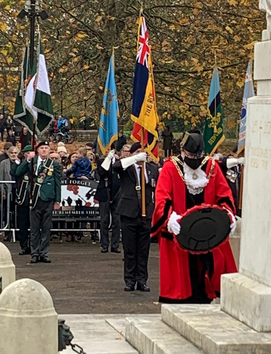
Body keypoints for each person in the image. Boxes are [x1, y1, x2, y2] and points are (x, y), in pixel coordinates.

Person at [151, 130, 237, 304]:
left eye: (197, 155)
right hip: (179, 233)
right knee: (182, 280)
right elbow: (162, 199)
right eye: (190, 155)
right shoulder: (170, 167)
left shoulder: (211, 167)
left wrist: (228, 214)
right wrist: (170, 219)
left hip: (207, 233)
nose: (194, 159)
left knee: (208, 271)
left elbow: (225, 195)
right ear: (183, 151)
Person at [113, 142, 159, 292]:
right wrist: (134, 159)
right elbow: (116, 167)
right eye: (138, 151)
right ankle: (129, 280)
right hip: (129, 213)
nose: (142, 154)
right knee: (130, 249)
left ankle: (142, 280)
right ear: (132, 154)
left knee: (143, 250)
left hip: (146, 214)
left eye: (143, 152)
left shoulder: (151, 169)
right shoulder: (127, 167)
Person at [15, 141, 61, 263]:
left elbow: (57, 182)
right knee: (34, 228)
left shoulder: (53, 164)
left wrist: (57, 200)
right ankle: (34, 253)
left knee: (46, 228)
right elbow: (17, 173)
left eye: (46, 148)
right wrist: (27, 160)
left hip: (48, 199)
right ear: (37, 150)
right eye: (42, 148)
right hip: (34, 199)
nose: (44, 150)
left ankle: (44, 252)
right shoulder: (32, 163)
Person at [95, 149, 121, 253]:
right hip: (104, 193)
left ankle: (115, 245)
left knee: (116, 221)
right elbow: (102, 172)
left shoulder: (119, 162)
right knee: (104, 220)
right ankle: (104, 245)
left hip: (117, 194)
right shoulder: (102, 162)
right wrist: (108, 159)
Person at [11, 145, 33, 255]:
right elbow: (14, 172)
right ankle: (24, 245)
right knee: (23, 223)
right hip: (22, 197)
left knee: (33, 224)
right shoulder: (20, 163)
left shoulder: (35, 163)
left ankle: (33, 245)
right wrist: (20, 161)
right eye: (26, 152)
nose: (28, 154)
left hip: (33, 196)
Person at [0, 146, 19, 242]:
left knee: (17, 212)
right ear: (8, 153)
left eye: (15, 153)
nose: (13, 154)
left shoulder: (20, 163)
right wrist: (3, 192)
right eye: (12, 153)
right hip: (8, 190)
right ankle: (7, 233)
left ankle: (17, 231)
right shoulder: (3, 163)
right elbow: (1, 178)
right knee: (7, 211)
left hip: (18, 191)